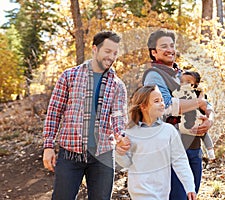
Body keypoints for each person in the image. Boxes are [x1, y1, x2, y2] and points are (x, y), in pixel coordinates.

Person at [42, 30, 130, 200]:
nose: (111, 57)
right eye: (107, 51)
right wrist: (48, 146)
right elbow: (54, 112)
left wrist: (120, 136)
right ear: (95, 49)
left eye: (115, 53)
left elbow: (119, 116)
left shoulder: (118, 85)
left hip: (103, 155)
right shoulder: (69, 76)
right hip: (70, 154)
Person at [142, 29, 215, 199]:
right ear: (154, 52)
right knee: (177, 196)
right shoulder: (154, 75)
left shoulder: (182, 74)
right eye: (164, 46)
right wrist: (199, 103)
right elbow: (165, 106)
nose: (170, 49)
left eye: (172, 45)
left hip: (194, 145)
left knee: (192, 194)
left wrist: (209, 119)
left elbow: (205, 100)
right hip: (171, 148)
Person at [116, 85, 197, 200]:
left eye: (162, 100)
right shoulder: (130, 132)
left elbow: (180, 160)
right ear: (143, 106)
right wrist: (120, 152)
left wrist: (189, 186)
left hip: (162, 191)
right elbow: (126, 163)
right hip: (139, 191)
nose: (162, 104)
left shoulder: (169, 131)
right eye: (156, 101)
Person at [179, 71, 215, 160]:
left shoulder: (199, 94)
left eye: (188, 82)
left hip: (196, 119)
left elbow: (207, 106)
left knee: (203, 133)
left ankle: (210, 149)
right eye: (182, 82)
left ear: (196, 84)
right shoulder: (178, 92)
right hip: (182, 122)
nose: (184, 84)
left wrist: (209, 117)